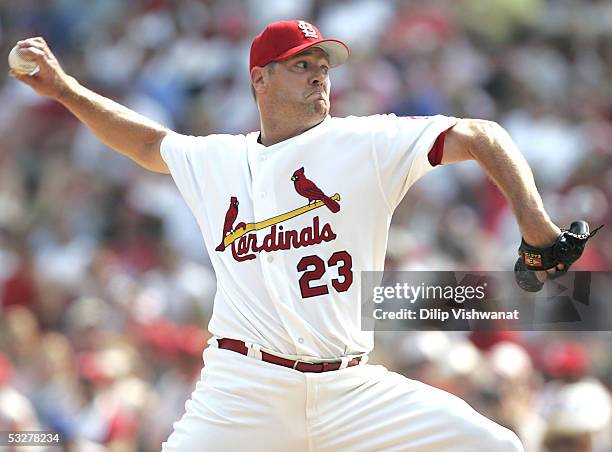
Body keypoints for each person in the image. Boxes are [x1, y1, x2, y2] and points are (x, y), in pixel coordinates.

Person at [11, 19, 567, 451]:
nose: (319, 74)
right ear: (261, 78)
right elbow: (146, 144)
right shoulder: (216, 158)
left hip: (350, 388)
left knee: (498, 444)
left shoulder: (366, 144)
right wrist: (64, 90)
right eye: (300, 64)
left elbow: (480, 134)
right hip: (245, 387)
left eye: (322, 64)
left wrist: (536, 225)